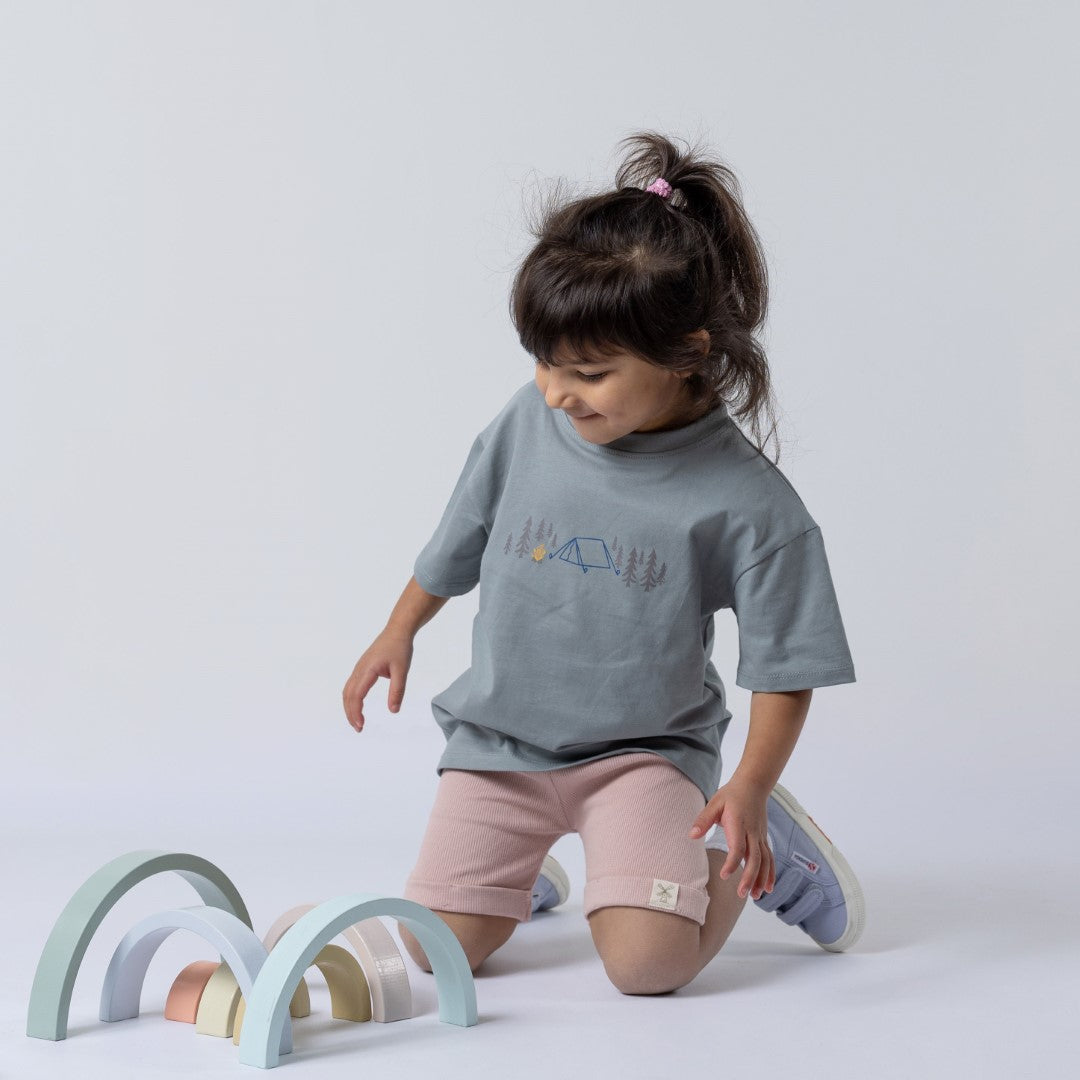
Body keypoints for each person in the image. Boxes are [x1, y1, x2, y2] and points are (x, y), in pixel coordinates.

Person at [342, 131, 864, 996]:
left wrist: (748, 782)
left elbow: (784, 668)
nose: (554, 390)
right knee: (434, 956)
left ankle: (737, 847)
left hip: (643, 757)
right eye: (543, 362)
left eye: (587, 370)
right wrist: (398, 629)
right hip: (499, 746)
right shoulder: (530, 420)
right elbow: (460, 534)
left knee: (647, 970)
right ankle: (530, 871)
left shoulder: (749, 502)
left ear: (687, 355)